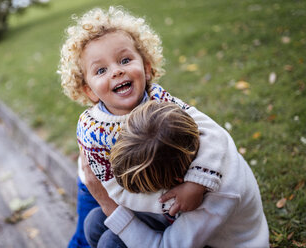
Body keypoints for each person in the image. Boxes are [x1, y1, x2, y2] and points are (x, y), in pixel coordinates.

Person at [58, 6, 227, 247]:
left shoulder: (159, 98)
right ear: (89, 90)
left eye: (125, 60)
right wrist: (164, 205)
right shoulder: (92, 129)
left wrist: (197, 182)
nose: (117, 71)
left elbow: (211, 133)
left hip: (148, 194)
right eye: (101, 70)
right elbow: (107, 188)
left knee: (109, 238)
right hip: (101, 185)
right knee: (89, 230)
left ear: (147, 68)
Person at [83, 101, 269, 248]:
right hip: (189, 228)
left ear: (176, 182)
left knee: (111, 243)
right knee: (95, 222)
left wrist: (109, 204)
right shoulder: (182, 133)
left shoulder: (218, 197)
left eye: (148, 189)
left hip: (218, 243)